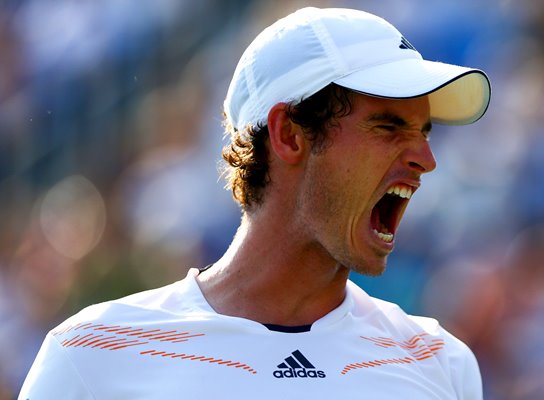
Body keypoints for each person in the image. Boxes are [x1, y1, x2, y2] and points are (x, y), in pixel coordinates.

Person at [19, 7, 491, 399]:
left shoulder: (442, 364)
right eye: (388, 127)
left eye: (423, 132)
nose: (426, 160)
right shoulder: (91, 356)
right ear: (288, 134)